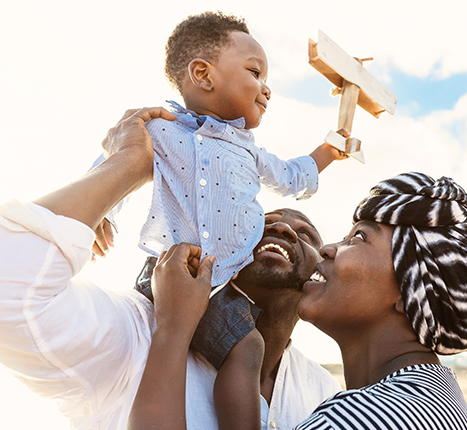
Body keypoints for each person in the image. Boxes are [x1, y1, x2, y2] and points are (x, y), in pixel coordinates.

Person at [0, 107, 341, 430]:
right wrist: (128, 166)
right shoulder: (130, 336)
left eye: (305, 232)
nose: (282, 227)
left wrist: (330, 148)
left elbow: (296, 173)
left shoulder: (325, 392)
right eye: (258, 220)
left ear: (318, 272)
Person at [131, 172, 467, 430]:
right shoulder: (431, 401)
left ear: (410, 295)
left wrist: (172, 329)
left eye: (359, 239)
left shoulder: (369, 417)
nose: (329, 248)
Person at [91, 12, 346, 430]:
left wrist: (327, 151)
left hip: (218, 281)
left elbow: (292, 175)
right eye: (254, 72)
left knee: (250, 346)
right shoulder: (161, 128)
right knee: (247, 350)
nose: (266, 88)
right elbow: (116, 160)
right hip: (175, 272)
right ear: (203, 75)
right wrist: (102, 211)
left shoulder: (248, 149)